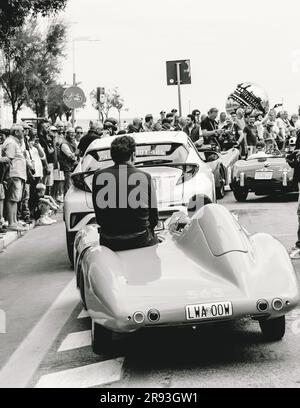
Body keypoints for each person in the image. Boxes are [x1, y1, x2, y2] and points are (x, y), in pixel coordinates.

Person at [92, 136, 158, 251]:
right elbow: (154, 218)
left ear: (112, 156)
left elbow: (99, 216)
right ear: (133, 155)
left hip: (109, 241)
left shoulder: (98, 176)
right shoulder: (144, 177)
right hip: (140, 239)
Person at [2, 125, 28, 231]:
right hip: (14, 174)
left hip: (18, 174)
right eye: (22, 131)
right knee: (12, 198)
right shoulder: (11, 143)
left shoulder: (14, 142)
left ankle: (15, 221)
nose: (24, 132)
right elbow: (8, 158)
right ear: (16, 132)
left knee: (15, 199)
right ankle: (12, 222)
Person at [60, 128, 78, 195]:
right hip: (68, 168)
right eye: (71, 132)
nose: (73, 134)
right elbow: (71, 156)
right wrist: (76, 154)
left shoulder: (73, 143)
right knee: (68, 186)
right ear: (67, 134)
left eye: (74, 132)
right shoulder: (64, 144)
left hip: (72, 168)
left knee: (72, 186)